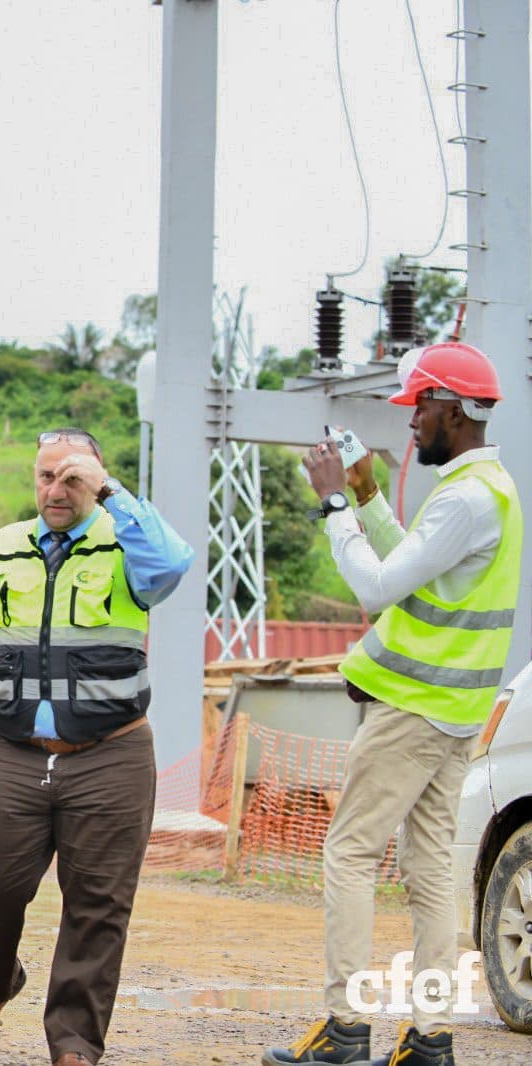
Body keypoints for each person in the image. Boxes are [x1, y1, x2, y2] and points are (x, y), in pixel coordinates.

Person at [267, 342, 523, 1066]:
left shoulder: (467, 498)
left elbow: (378, 588)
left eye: (419, 408)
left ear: (452, 408)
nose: (410, 422)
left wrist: (334, 504)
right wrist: (371, 498)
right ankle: (430, 1037)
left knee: (349, 852)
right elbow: (414, 571)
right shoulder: (491, 490)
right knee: (432, 869)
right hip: (453, 716)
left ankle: (345, 1029)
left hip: (412, 710)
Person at [0, 427, 194, 1064]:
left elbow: (173, 565)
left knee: (98, 904)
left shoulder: (129, 544)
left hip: (111, 753)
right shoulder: (5, 547)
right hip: (14, 750)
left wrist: (114, 495)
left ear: (97, 483)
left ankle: (74, 1043)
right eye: (46, 476)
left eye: (72, 478)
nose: (56, 490)